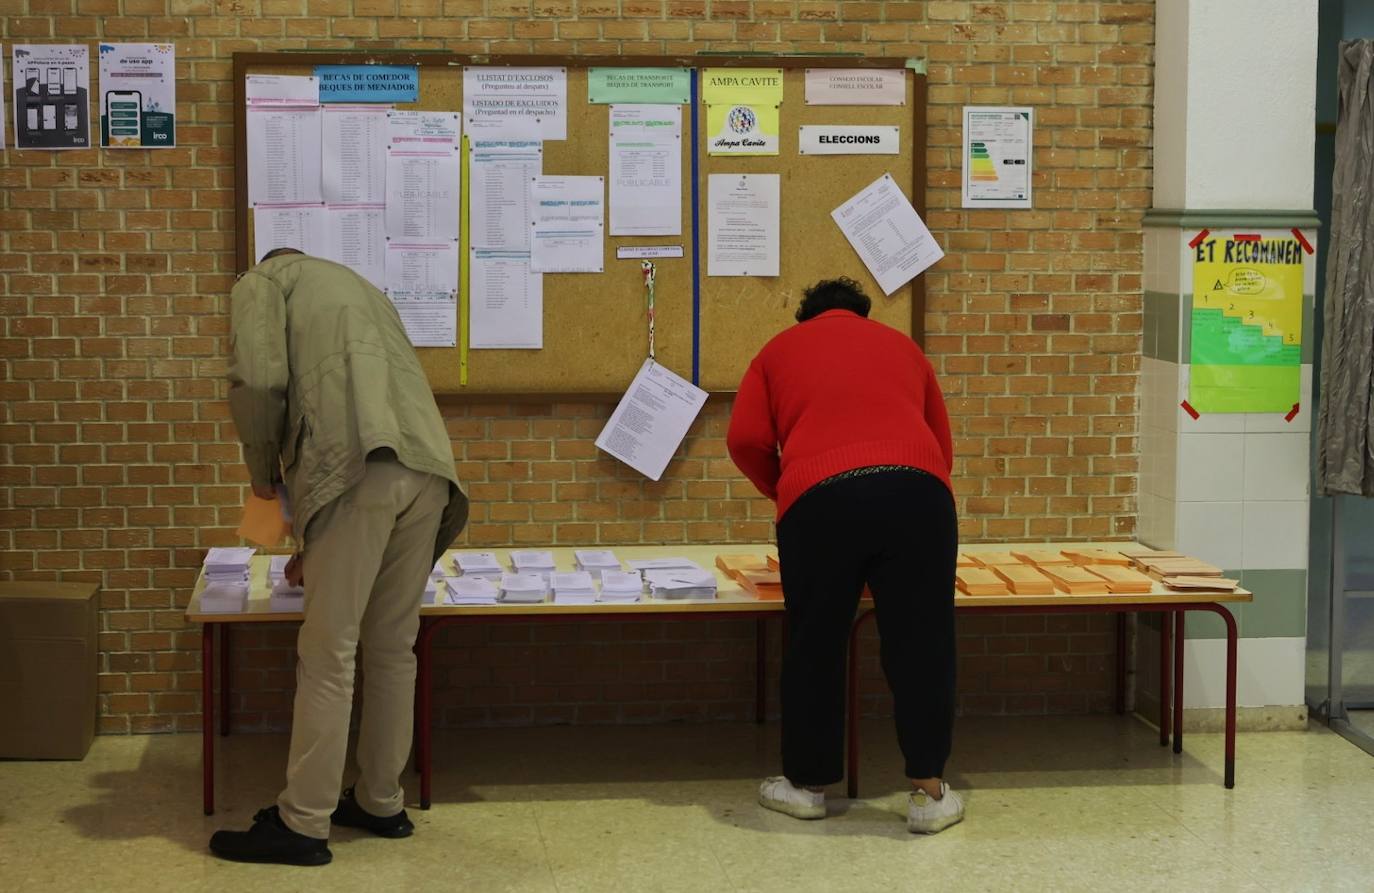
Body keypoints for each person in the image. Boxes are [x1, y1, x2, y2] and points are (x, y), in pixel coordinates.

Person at [210, 249, 469, 865]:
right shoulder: (364, 288)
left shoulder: (263, 281)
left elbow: (259, 382)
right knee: (391, 647)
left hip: (356, 470)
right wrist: (312, 542)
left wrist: (261, 479)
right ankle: (381, 801)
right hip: (429, 471)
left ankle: (302, 824)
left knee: (328, 651)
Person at [726, 277, 962, 834]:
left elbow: (744, 439)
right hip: (919, 493)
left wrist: (785, 485)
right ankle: (929, 793)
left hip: (819, 500)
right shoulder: (904, 348)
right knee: (923, 641)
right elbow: (941, 443)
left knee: (816, 639)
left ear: (805, 317)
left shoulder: (776, 352)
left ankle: (806, 787)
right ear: (862, 314)